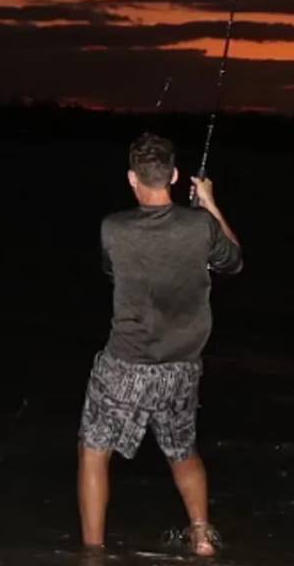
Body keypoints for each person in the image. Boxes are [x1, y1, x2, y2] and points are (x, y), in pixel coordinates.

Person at [77, 132, 243, 557]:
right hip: (182, 366)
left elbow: (113, 270)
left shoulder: (112, 228)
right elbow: (234, 261)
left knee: (94, 450)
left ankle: (93, 550)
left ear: (133, 178)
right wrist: (208, 204)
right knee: (182, 451)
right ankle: (202, 536)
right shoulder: (201, 227)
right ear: (172, 175)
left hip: (126, 364)